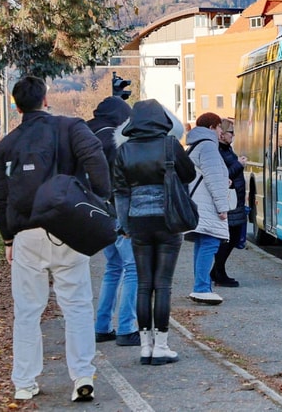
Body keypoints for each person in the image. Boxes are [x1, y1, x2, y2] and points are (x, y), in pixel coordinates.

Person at [0, 75, 110, 402]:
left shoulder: (7, 144)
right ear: (46, 100)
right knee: (77, 305)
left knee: (27, 310)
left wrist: (7, 239)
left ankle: (25, 382)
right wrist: (100, 199)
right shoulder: (71, 128)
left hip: (27, 233)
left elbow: (0, 196)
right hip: (69, 227)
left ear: (16, 107)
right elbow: (95, 157)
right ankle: (82, 375)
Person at [113, 99, 196, 366]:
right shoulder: (170, 145)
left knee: (143, 283)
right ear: (162, 120)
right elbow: (189, 174)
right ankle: (162, 346)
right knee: (163, 284)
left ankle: (145, 346)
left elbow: (120, 191)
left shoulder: (124, 151)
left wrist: (124, 225)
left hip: (138, 222)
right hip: (168, 219)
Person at [86, 97, 139, 347]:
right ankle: (127, 327)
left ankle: (102, 326)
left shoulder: (86, 132)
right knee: (132, 269)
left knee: (113, 268)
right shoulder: (114, 140)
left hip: (96, 212)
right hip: (117, 211)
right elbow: (122, 180)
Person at [184, 112, 230, 303]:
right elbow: (213, 179)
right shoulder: (209, 147)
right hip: (207, 205)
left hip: (197, 203)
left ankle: (200, 286)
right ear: (212, 127)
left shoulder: (195, 145)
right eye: (220, 127)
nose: (221, 131)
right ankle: (201, 287)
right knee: (210, 243)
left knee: (202, 243)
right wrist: (222, 207)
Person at [212, 118, 248, 287]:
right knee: (229, 239)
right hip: (229, 202)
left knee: (233, 238)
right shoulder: (218, 150)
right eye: (231, 132)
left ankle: (218, 271)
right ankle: (218, 272)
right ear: (223, 134)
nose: (233, 135)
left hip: (235, 201)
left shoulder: (226, 149)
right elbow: (222, 174)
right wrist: (238, 165)